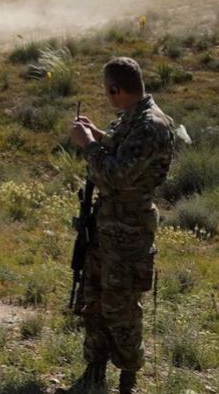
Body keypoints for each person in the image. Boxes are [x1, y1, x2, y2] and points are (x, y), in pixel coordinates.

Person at [69, 57, 179, 394]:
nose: (107, 95)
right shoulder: (135, 119)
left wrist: (87, 145)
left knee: (122, 308)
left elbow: (117, 174)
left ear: (116, 89)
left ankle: (127, 382)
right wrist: (98, 135)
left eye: (107, 90)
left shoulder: (150, 126)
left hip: (128, 229)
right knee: (96, 299)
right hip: (107, 224)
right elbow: (122, 152)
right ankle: (93, 374)